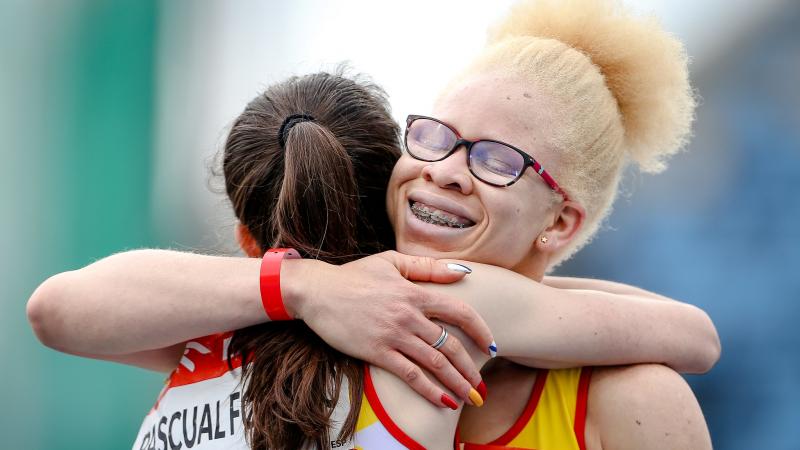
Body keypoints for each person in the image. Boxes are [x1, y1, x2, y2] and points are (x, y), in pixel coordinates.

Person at [27, 0, 719, 449]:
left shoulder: (629, 403)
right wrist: (306, 290)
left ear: (561, 223)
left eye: (497, 159)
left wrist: (307, 291)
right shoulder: (310, 329)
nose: (446, 169)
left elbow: (693, 336)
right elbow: (58, 309)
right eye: (435, 136)